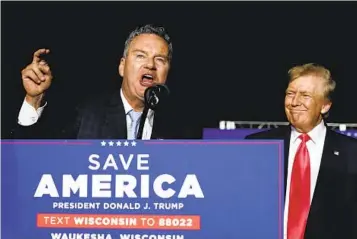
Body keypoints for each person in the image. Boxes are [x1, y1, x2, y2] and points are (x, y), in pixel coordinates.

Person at [10, 24, 200, 140]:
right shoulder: (84, 116)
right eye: (141, 56)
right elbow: (30, 158)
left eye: (160, 59)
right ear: (122, 67)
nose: (150, 65)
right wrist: (33, 100)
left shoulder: (183, 129)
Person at [245, 63, 357, 239]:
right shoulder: (257, 146)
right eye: (290, 94)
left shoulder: (352, 154)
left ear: (325, 106)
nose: (294, 102)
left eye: (305, 95)